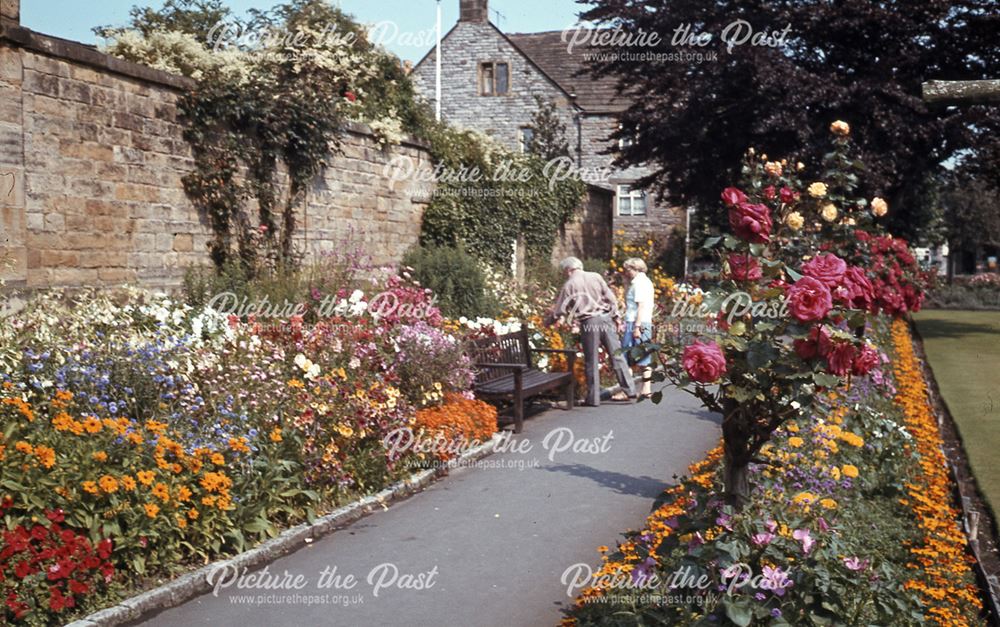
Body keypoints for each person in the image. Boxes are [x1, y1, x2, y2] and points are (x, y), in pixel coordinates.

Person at [544, 257, 637, 406]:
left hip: (589, 322)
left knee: (591, 360)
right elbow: (611, 298)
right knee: (617, 355)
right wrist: (616, 316)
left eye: (564, 272)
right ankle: (631, 390)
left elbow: (559, 311)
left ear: (568, 270)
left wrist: (548, 322)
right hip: (606, 319)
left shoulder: (569, 285)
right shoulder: (596, 276)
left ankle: (593, 398)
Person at [620, 258, 654, 399]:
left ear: (635, 269)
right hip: (644, 322)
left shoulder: (639, 283)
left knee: (626, 356)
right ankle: (646, 388)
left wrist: (637, 327)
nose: (626, 273)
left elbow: (641, 306)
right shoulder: (646, 281)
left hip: (636, 322)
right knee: (644, 357)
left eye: (627, 269)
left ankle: (627, 390)